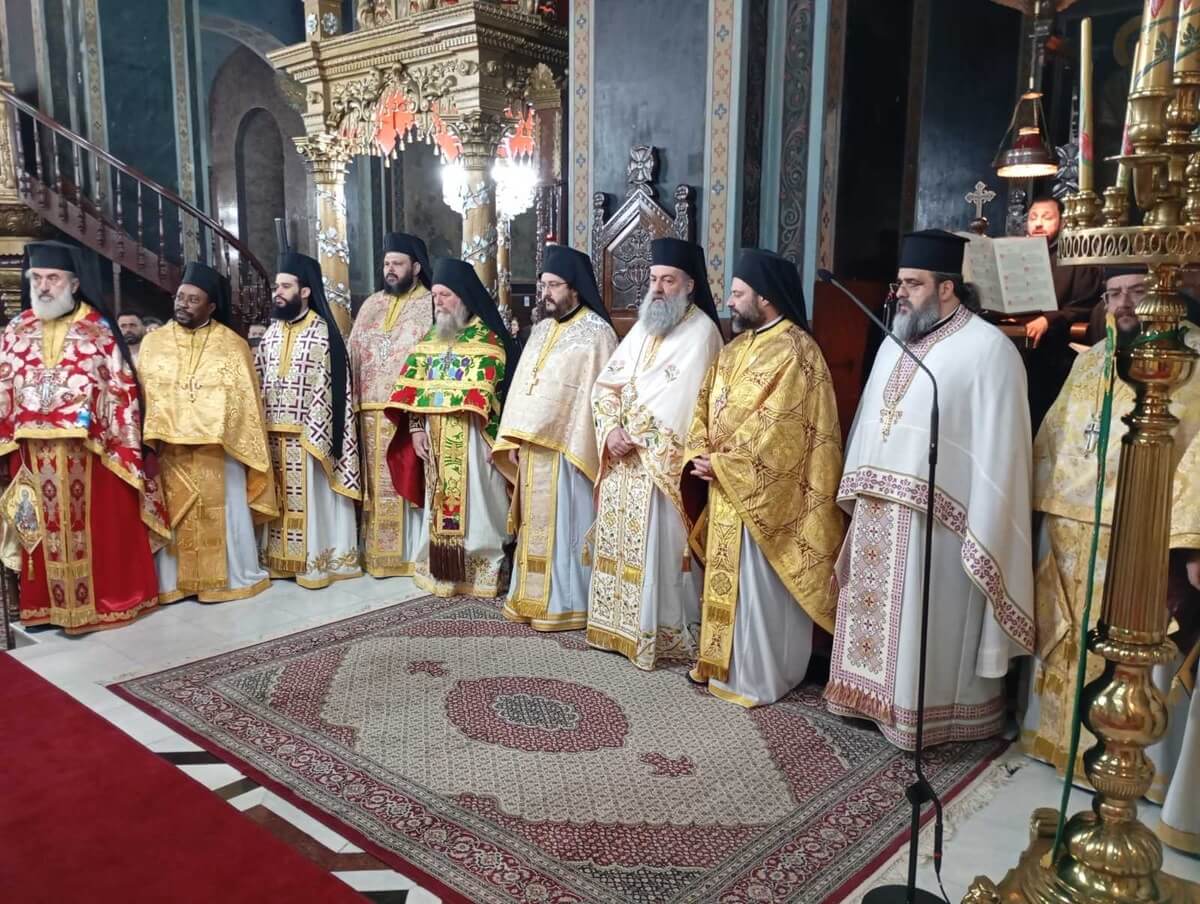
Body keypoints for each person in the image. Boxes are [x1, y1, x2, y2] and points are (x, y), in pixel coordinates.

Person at [824, 229, 1036, 749]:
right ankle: (865, 698)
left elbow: (1000, 453)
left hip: (941, 523)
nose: (900, 293)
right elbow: (873, 423)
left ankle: (929, 713)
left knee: (926, 624)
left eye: (913, 284)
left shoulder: (989, 350)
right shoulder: (895, 340)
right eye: (899, 283)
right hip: (878, 510)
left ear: (947, 288)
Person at [1022, 266, 1200, 854]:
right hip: (1072, 526)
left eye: (1136, 293)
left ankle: (1126, 763)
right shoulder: (1094, 358)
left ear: (1165, 295)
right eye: (1113, 294)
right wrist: (1033, 506)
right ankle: (1061, 744)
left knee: (1129, 647)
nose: (1123, 305)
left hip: (1142, 532)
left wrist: (1188, 538)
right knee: (1065, 634)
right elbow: (1055, 436)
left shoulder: (1192, 359)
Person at [683, 249, 845, 705]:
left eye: (738, 293)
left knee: (759, 587)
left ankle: (759, 675)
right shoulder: (733, 349)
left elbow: (781, 428)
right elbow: (704, 405)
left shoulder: (798, 351)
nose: (729, 302)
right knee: (727, 583)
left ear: (765, 297)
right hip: (725, 486)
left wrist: (724, 464)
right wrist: (699, 452)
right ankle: (719, 664)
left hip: (769, 498)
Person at [0, 241, 169, 632]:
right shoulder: (16, 330)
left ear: (74, 284)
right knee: (34, 527)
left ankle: (100, 604)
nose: (44, 286)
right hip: (30, 454)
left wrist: (112, 436)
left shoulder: (97, 329)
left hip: (90, 453)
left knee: (97, 528)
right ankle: (45, 607)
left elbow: (120, 390)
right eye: (37, 278)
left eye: (53, 278)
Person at [586, 237, 724, 669]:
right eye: (653, 279)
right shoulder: (645, 326)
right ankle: (615, 627)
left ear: (689, 285)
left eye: (668, 280)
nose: (658, 288)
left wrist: (634, 434)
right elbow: (608, 383)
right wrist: (611, 429)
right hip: (622, 459)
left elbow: (685, 406)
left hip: (658, 467)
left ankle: (659, 634)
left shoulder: (702, 332)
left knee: (657, 554)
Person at [495, 244, 618, 630]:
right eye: (543, 285)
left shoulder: (598, 334)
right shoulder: (541, 330)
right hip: (532, 448)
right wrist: (514, 439)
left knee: (566, 527)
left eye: (553, 286)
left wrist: (575, 440)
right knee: (534, 526)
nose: (545, 293)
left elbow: (598, 397)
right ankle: (528, 597)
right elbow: (523, 388)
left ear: (575, 287)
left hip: (569, 450)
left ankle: (566, 603)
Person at [139, 261, 277, 603]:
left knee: (224, 512)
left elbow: (245, 406)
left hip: (219, 452)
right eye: (180, 297)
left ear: (211, 306)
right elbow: (145, 396)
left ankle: (227, 579)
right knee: (174, 514)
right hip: (170, 452)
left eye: (193, 300)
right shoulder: (153, 343)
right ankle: (173, 583)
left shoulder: (232, 345)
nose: (183, 305)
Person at [385, 258, 519, 597]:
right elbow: (414, 389)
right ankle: (441, 567)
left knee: (481, 508)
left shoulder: (489, 339)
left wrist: (498, 439)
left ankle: (482, 570)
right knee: (440, 503)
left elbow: (504, 397)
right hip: (436, 439)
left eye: (445, 295)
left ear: (464, 295)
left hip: (476, 440)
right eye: (435, 295)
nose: (438, 302)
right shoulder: (432, 338)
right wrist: (417, 428)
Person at [255, 251, 361, 589]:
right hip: (272, 435)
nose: (278, 292)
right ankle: (278, 561)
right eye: (276, 286)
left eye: (285, 286)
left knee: (312, 503)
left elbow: (331, 390)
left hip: (309, 439)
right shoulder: (271, 333)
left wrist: (314, 433)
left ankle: (315, 561)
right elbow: (259, 379)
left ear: (304, 291)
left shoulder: (323, 333)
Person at [348, 232, 434, 578]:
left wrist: (418, 417)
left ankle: (409, 554)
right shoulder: (371, 304)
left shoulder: (430, 304)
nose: (390, 270)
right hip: (368, 411)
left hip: (406, 412)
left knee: (405, 477)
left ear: (416, 267)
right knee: (373, 486)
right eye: (386, 264)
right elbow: (354, 352)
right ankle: (375, 555)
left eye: (397, 263)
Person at [1023, 196, 1104, 429]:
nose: (1038, 223)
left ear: (1062, 222)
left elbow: (1084, 303)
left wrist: (1048, 320)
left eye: (1047, 217)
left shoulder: (1074, 255)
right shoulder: (1018, 254)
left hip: (1055, 346)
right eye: (1033, 218)